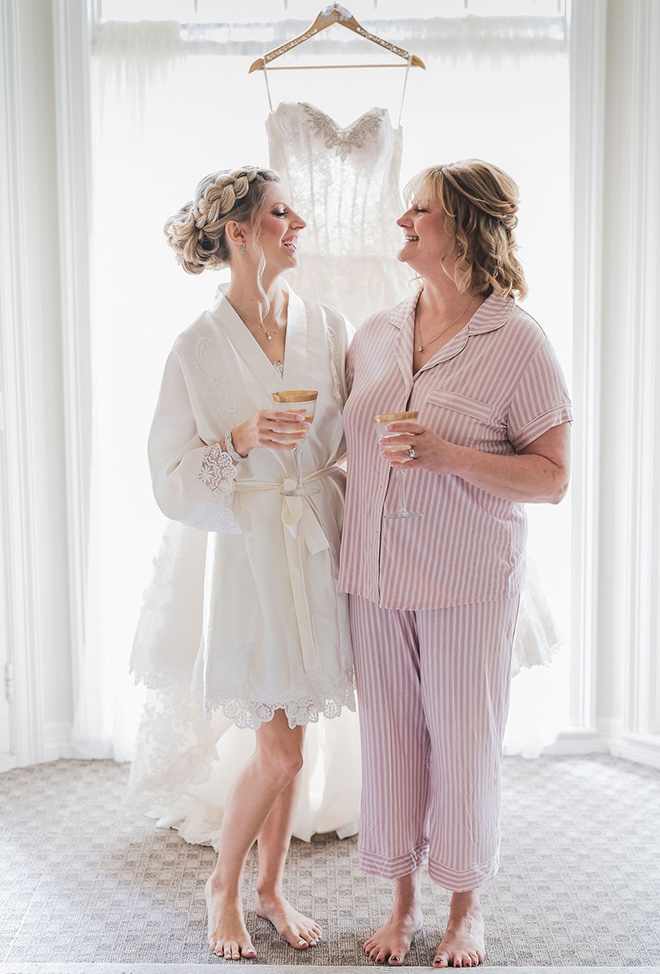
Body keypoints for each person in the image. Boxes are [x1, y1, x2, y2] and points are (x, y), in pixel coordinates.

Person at [338, 159, 572, 968]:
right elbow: (346, 451)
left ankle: (467, 910)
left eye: (421, 210)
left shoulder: (518, 341)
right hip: (372, 577)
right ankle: (401, 905)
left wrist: (452, 456)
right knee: (392, 744)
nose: (403, 219)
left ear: (466, 227)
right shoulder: (373, 333)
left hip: (465, 578)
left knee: (465, 744)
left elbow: (553, 477)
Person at [132, 166, 354, 960]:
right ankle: (222, 887)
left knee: (298, 740)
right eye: (279, 214)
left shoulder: (326, 325)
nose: (297, 226)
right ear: (238, 231)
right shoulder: (196, 350)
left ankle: (270, 888)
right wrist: (239, 439)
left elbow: (356, 426)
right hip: (252, 556)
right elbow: (167, 474)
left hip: (316, 541)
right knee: (280, 745)